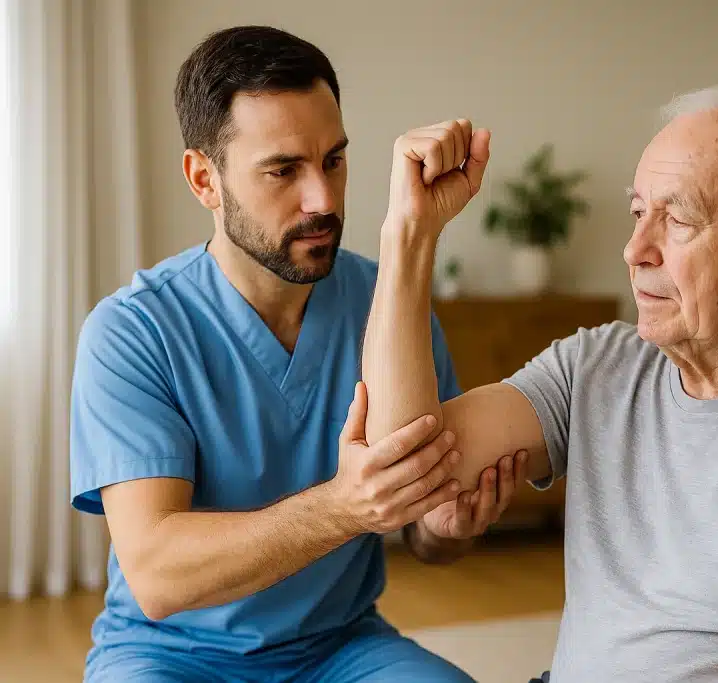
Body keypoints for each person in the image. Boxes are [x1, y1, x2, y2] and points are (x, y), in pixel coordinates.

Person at [361, 87, 718, 682]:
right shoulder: (598, 363)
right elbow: (407, 461)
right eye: (637, 213)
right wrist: (407, 237)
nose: (634, 249)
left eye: (676, 219)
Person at [69, 25, 528, 683]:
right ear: (205, 179)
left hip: (339, 647)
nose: (322, 200)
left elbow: (427, 535)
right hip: (168, 653)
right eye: (283, 170)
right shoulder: (133, 331)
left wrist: (449, 526)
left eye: (333, 161)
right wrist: (344, 505)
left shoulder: (386, 300)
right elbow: (158, 574)